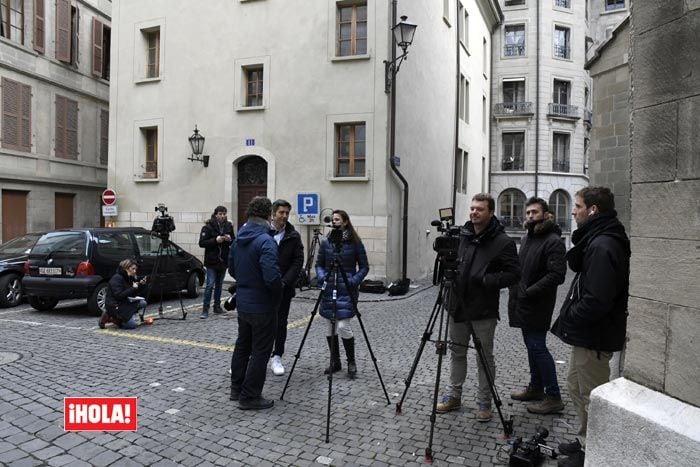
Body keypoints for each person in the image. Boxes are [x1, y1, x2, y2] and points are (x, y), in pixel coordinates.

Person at [551, 187, 630, 467]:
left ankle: (594, 452)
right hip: (586, 336)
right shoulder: (596, 241)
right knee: (576, 386)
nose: (573, 211)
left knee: (592, 394)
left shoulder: (603, 245)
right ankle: (585, 439)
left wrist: (571, 317)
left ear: (593, 210)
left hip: (594, 337)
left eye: (578, 205)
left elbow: (597, 300)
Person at [436, 193, 520, 422]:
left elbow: (514, 274)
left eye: (479, 209)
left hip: (483, 309)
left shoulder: (503, 242)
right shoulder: (461, 235)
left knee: (484, 357)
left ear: (490, 213)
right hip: (456, 305)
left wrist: (487, 280)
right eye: (472, 208)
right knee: (457, 352)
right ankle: (454, 395)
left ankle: (485, 401)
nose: (474, 212)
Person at [508, 197, 566, 414]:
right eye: (528, 212)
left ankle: (553, 396)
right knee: (532, 347)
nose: (530, 215)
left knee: (538, 347)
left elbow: (557, 275)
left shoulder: (553, 241)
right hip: (523, 302)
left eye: (535, 212)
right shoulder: (527, 238)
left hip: (538, 304)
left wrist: (529, 291)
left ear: (546, 214)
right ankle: (535, 387)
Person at [228, 196, 282, 410]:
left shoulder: (239, 238)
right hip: (262, 303)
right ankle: (249, 396)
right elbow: (271, 277)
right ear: (268, 214)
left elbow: (232, 269)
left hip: (244, 302)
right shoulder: (265, 240)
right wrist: (278, 293)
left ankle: (236, 388)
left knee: (243, 345)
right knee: (261, 350)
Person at [315, 209, 369, 379]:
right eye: (333, 219)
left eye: (338, 219)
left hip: (347, 289)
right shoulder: (326, 242)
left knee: (343, 325)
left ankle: (351, 361)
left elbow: (364, 267)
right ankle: (335, 361)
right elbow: (319, 264)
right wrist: (322, 277)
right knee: (331, 326)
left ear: (345, 222)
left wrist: (353, 280)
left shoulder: (355, 243)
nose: (335, 221)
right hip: (329, 288)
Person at [269, 199, 304, 376]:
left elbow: (298, 262)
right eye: (281, 212)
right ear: (273, 213)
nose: (284, 216)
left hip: (284, 289)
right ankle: (252, 355)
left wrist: (285, 282)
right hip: (264, 288)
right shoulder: (263, 232)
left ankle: (277, 356)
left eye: (287, 213)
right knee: (259, 323)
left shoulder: (293, 235)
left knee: (280, 323)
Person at [199, 205, 235, 319]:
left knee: (219, 285)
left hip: (223, 260)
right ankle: (205, 309)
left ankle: (217, 307)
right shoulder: (208, 227)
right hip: (211, 261)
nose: (223, 216)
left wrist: (230, 239)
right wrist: (215, 240)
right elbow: (202, 243)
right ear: (216, 214)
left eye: (224, 214)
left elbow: (234, 241)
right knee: (210, 285)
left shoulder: (228, 226)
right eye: (220, 214)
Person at [100, 259, 147, 330]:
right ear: (126, 268)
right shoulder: (117, 278)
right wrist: (132, 288)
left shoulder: (129, 277)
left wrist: (141, 285)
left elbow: (133, 294)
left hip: (124, 302)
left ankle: (124, 317)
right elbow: (119, 296)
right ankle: (113, 317)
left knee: (143, 303)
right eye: (133, 269)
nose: (135, 271)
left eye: (135, 269)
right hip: (115, 305)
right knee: (132, 325)